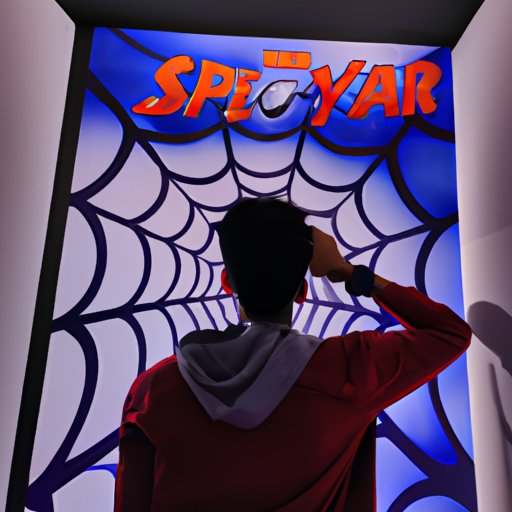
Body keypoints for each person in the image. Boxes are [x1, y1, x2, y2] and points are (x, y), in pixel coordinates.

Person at [114, 198, 471, 512]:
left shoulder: (152, 391)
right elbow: (449, 333)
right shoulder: (351, 370)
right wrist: (351, 273)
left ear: (226, 283)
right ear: (302, 292)